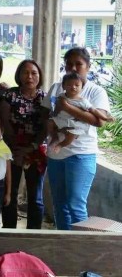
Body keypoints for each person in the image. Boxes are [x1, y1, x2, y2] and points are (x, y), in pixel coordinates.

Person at [43, 48, 112, 230]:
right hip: (56, 154)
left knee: (76, 205)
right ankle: (63, 244)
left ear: (88, 67)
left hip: (81, 154)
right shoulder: (57, 87)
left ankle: (81, 248)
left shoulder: (96, 91)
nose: (73, 68)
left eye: (78, 64)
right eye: (69, 64)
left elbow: (99, 122)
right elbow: (46, 114)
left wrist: (66, 106)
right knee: (60, 205)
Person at [0, 59, 47, 230]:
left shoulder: (44, 98)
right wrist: (17, 149)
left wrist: (32, 146)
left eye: (34, 73)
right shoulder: (10, 95)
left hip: (36, 150)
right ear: (19, 75)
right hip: (12, 148)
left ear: (39, 76)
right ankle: (9, 229)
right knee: (9, 191)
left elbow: (46, 126)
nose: (30, 76)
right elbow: (5, 121)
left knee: (35, 196)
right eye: (25, 72)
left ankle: (34, 232)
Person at [48, 72, 106, 153]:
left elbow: (94, 110)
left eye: (77, 85)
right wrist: (55, 113)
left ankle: (61, 145)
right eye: (69, 85)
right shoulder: (61, 96)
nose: (73, 87)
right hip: (60, 119)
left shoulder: (83, 101)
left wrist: (105, 117)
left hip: (73, 124)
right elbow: (57, 108)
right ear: (63, 86)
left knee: (71, 136)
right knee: (50, 122)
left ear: (82, 87)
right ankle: (54, 137)